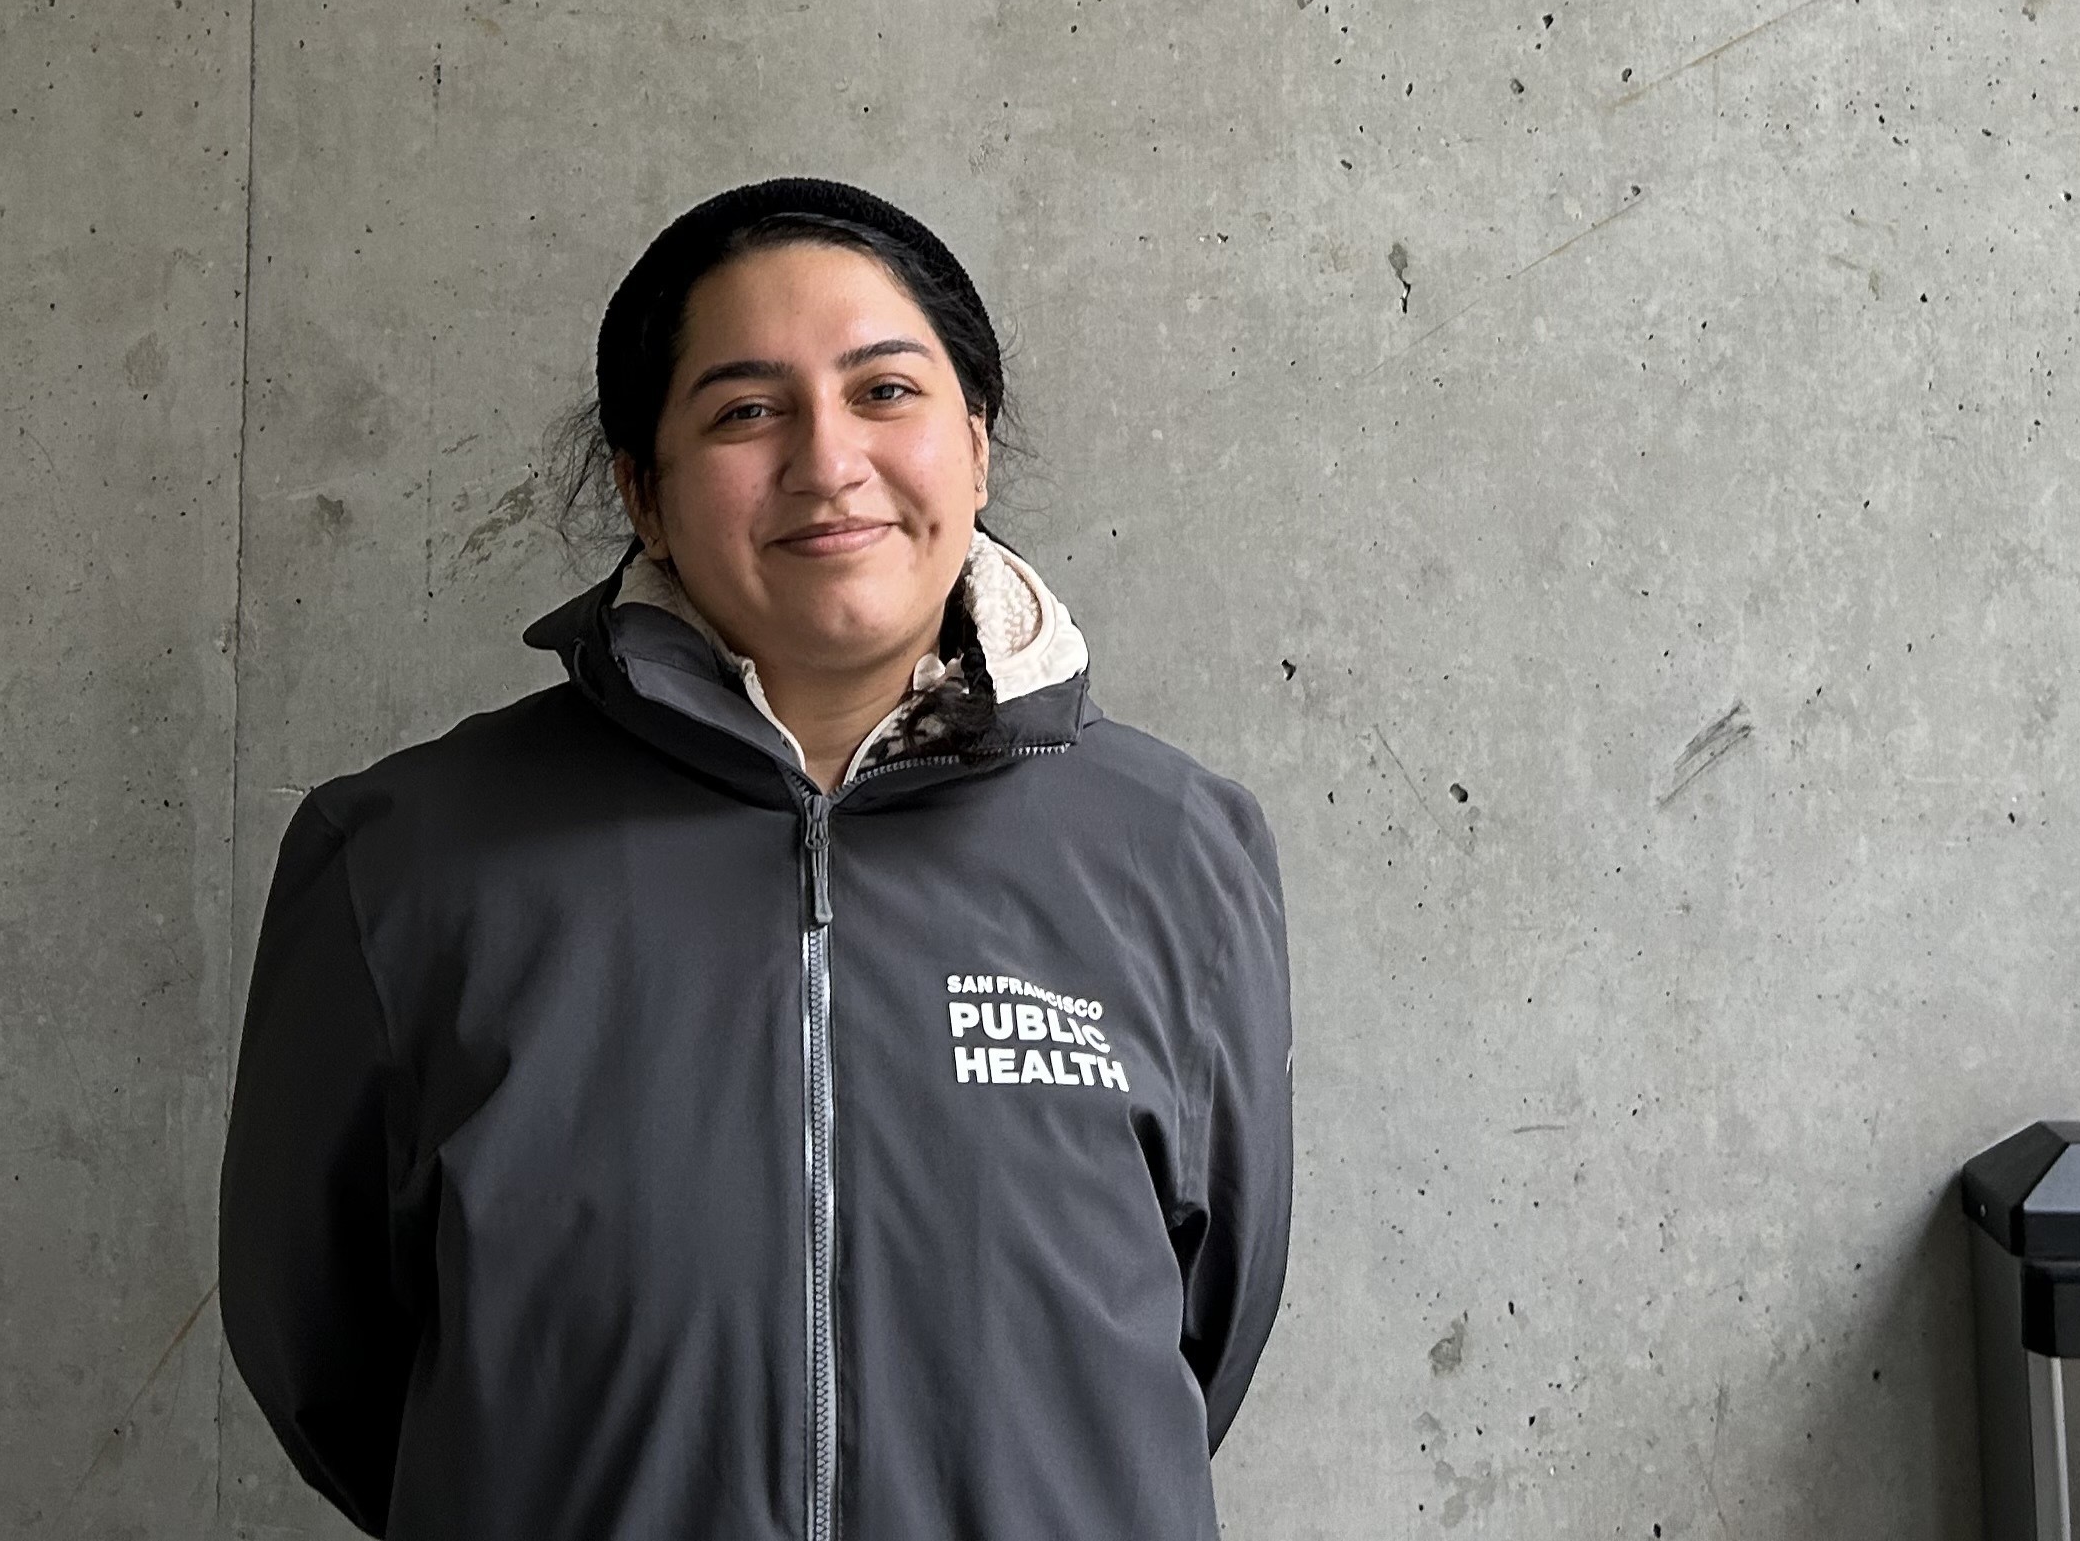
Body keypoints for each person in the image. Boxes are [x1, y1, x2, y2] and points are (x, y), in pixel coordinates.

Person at [219, 176, 1293, 1541]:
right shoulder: (407, 861)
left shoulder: (1178, 846)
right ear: (643, 490)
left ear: (974, 443)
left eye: (885, 391)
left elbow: (1200, 1331)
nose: (826, 461)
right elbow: (328, 1361)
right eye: (743, 411)